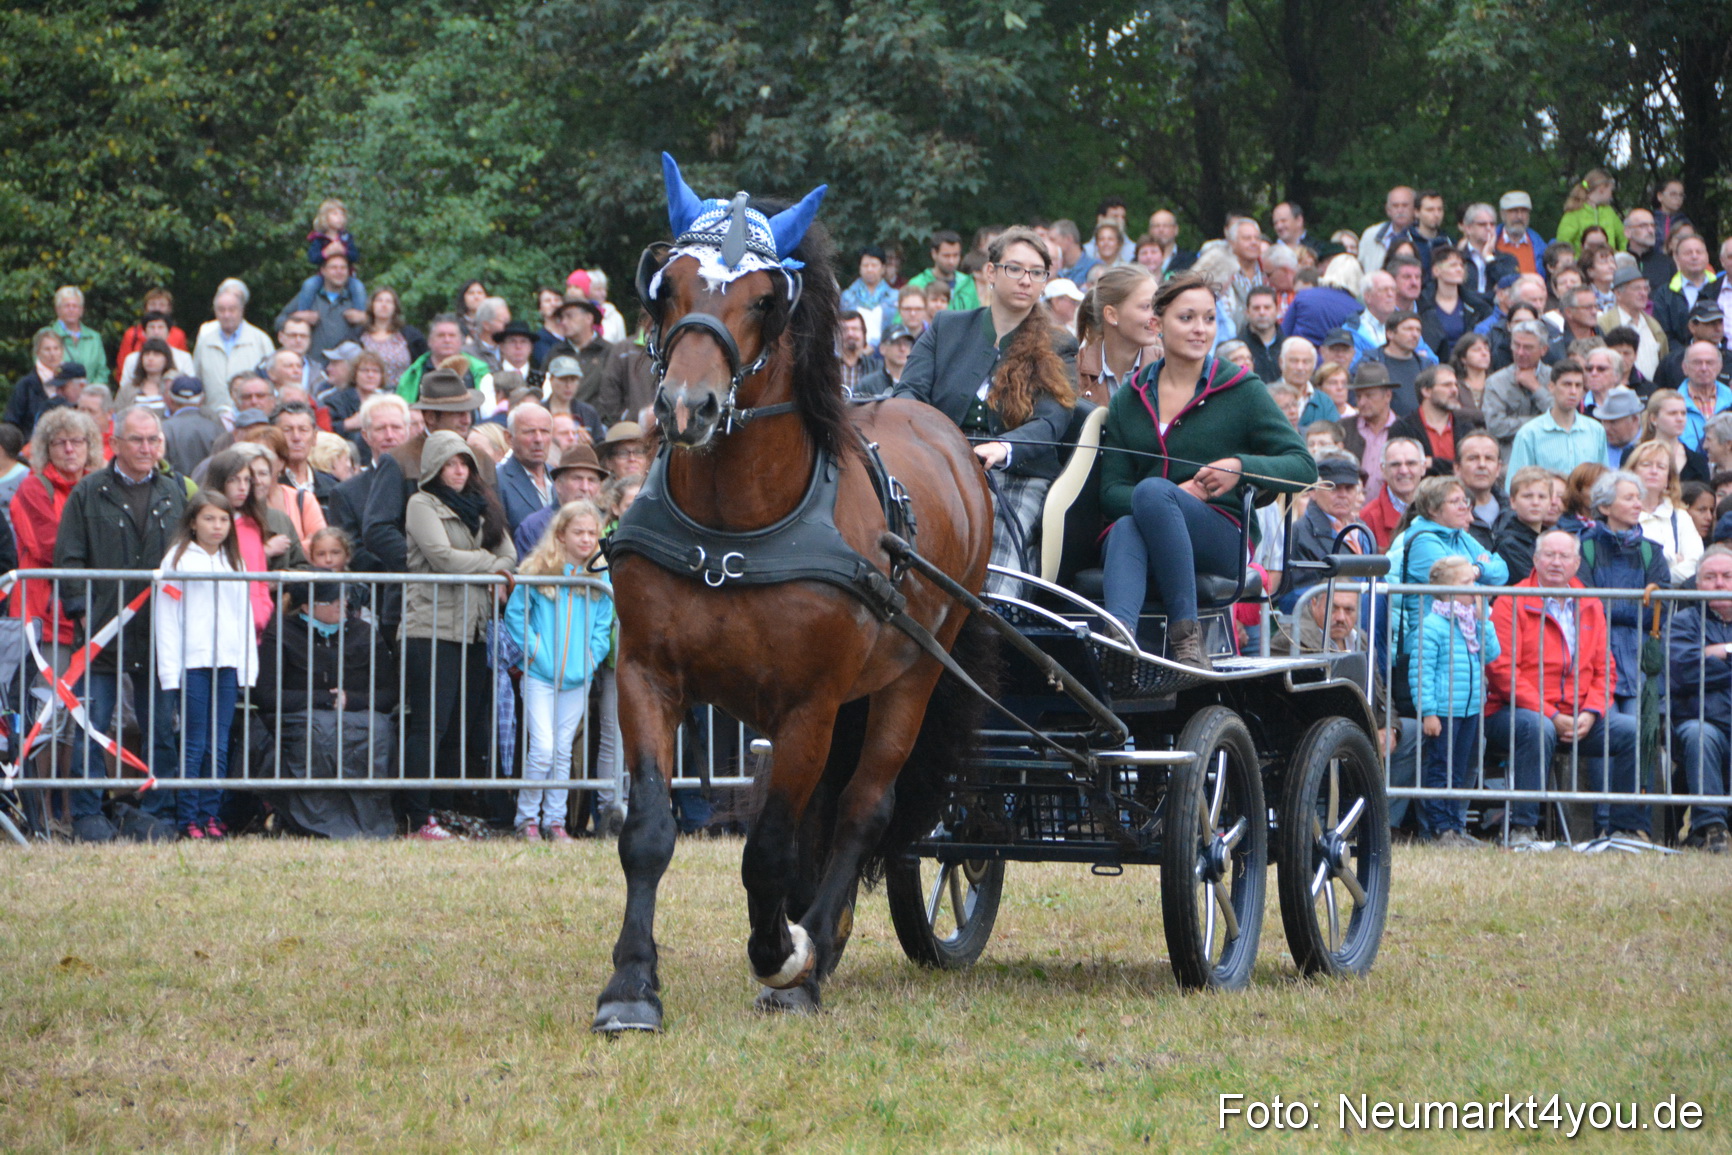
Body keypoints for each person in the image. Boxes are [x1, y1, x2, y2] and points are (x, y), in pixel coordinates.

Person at [1098, 272, 1316, 668]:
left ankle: (1187, 634)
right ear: (1156, 325)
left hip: (1221, 533)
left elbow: (1303, 466)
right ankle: (1119, 645)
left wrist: (1240, 467)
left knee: (1150, 492)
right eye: (1187, 318)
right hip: (1144, 529)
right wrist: (1169, 498)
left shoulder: (1242, 389)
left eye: (1209, 319)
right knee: (1134, 517)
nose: (1201, 329)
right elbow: (1111, 490)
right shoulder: (1128, 399)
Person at [893, 227, 1080, 592]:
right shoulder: (946, 328)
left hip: (1015, 477)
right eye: (1015, 269)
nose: (1026, 280)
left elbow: (1050, 422)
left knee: (992, 583)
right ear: (991, 272)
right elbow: (909, 394)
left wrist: (1004, 448)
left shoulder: (1059, 344)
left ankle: (993, 632)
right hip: (938, 466)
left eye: (1037, 272)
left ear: (1045, 282)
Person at [54, 407, 189, 842]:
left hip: (159, 633)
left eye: (154, 440)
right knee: (91, 726)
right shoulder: (88, 492)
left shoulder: (177, 492)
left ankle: (158, 811)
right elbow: (69, 559)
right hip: (101, 636)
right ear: (115, 443)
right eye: (137, 440)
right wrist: (84, 613)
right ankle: (88, 813)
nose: (147, 448)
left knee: (161, 730)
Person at [1486, 529, 1646, 845]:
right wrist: (1549, 713)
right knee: (1538, 727)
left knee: (1634, 732)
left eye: (1564, 556)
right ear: (1535, 560)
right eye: (1549, 555)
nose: (1556, 562)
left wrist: (1591, 711)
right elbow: (1502, 670)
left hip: (1578, 715)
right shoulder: (1510, 601)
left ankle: (1625, 831)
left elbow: (1605, 669)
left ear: (1576, 564)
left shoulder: (1589, 602)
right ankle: (1523, 829)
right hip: (1513, 713)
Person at [400, 431, 516, 840]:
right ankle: (417, 817)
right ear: (434, 466)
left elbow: (512, 555)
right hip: (431, 626)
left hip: (473, 628)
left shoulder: (483, 506)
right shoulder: (421, 503)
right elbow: (442, 557)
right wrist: (491, 565)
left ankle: (444, 810)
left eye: (464, 463)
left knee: (457, 728)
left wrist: (492, 565)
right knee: (429, 726)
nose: (458, 470)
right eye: (450, 463)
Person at [254, 575, 398, 840]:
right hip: (301, 718)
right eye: (332, 600)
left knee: (378, 731)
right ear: (307, 607)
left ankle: (369, 820)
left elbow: (389, 693)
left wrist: (350, 700)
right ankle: (314, 820)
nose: (341, 604)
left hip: (355, 712)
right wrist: (322, 699)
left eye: (343, 598)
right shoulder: (283, 633)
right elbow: (266, 694)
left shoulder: (364, 633)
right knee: (319, 731)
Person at [505, 500, 613, 842]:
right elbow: (515, 616)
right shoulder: (539, 571)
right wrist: (536, 651)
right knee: (543, 748)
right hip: (539, 675)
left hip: (578, 678)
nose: (585, 539)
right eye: (578, 532)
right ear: (561, 534)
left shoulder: (600, 577)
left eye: (591, 533)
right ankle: (527, 818)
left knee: (563, 750)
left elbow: (602, 626)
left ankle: (555, 820)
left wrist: (591, 659)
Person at [153, 492, 256, 840]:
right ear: (193, 522)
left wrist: (246, 665)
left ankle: (211, 814)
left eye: (223, 519)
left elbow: (244, 615)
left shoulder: (235, 562)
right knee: (195, 743)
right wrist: (171, 670)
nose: (217, 526)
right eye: (209, 519)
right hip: (193, 664)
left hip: (226, 662)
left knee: (220, 742)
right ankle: (188, 818)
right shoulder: (177, 560)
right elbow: (166, 618)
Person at [1411, 554, 1500, 848]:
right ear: (1447, 591)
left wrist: (1483, 620)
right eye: (1467, 582)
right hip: (1444, 711)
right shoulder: (1433, 626)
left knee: (1460, 770)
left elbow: (1491, 654)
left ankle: (1455, 826)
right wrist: (1428, 712)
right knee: (1441, 768)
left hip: (1470, 708)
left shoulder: (1471, 622)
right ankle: (1439, 829)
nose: (1474, 588)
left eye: (1474, 580)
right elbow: (1421, 672)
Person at [1580, 469, 1671, 720]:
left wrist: (1609, 604)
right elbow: (1586, 606)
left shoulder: (1652, 552)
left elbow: (1658, 608)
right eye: (1629, 498)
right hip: (1595, 659)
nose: (1638, 504)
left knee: (1635, 742)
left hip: (1639, 662)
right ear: (1606, 507)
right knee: (1604, 739)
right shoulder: (1583, 548)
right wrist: (1634, 605)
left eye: (1638, 498)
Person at [1668, 544, 1732, 853]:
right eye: (1710, 577)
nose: (1719, 583)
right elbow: (1684, 673)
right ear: (1697, 584)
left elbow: (1702, 667)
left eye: (1727, 576)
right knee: (1700, 734)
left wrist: (1716, 655)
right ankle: (1712, 829)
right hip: (1704, 722)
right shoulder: (1684, 621)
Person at [1075, 265, 1158, 404]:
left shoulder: (1168, 368)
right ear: (1112, 315)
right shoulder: (1072, 371)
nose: (1157, 316)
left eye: (1158, 306)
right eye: (1146, 307)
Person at [1508, 359, 1604, 477]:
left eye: (1578, 385)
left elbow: (1603, 482)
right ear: (1551, 387)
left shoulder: (1597, 431)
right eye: (1567, 384)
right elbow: (1515, 484)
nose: (1573, 391)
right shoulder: (1529, 434)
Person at [1626, 440, 1704, 583]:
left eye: (1661, 467)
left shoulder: (1680, 516)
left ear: (1669, 478)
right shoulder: (1621, 514)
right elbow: (1626, 567)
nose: (1654, 471)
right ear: (1632, 471)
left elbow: (1696, 565)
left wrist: (1657, 579)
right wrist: (1673, 560)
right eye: (1646, 465)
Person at [191, 285, 276, 404]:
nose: (226, 315)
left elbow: (272, 380)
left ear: (242, 310)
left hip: (251, 413)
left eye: (232, 310)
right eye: (221, 310)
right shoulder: (205, 343)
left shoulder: (260, 340)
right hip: (215, 415)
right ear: (215, 312)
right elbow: (197, 378)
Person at [1481, 321, 1554, 451]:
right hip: (1511, 455)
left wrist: (1536, 388)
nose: (1520, 352)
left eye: (1528, 347)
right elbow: (1495, 427)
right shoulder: (1496, 381)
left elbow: (1563, 416)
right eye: (1516, 345)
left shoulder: (1554, 377)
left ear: (1543, 350)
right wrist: (1544, 422)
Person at [395, 314, 494, 408]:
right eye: (441, 335)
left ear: (461, 341)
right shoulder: (413, 374)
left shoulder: (479, 371)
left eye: (452, 335)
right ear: (430, 341)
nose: (447, 340)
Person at [1391, 365, 1473, 475]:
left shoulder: (1466, 428)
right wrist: (1452, 466)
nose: (1454, 390)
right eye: (1447, 385)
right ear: (1426, 391)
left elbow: (1470, 468)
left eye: (1455, 385)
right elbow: (1401, 468)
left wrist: (1431, 462)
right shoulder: (1403, 428)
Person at [1341, 364, 1400, 500]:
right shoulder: (1343, 428)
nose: (1362, 402)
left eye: (1369, 396)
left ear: (1388, 396)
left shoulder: (1405, 429)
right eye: (1358, 396)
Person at [1598, 266, 1668, 381]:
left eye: (1646, 289)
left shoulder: (1654, 325)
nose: (1643, 293)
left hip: (1652, 392)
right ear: (1618, 294)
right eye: (1637, 289)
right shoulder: (1604, 325)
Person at [1492, 465, 1559, 581]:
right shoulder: (1509, 545)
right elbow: (1536, 584)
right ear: (1512, 501)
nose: (1535, 502)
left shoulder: (1551, 539)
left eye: (1542, 497)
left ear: (1550, 503)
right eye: (1528, 496)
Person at [1360, 437, 1429, 550]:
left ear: (1423, 467)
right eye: (1395, 465)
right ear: (1383, 470)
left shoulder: (1440, 511)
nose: (1404, 471)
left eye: (1411, 463)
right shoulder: (1368, 518)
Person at [497, 403, 555, 533]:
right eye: (529, 432)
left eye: (545, 431)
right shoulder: (497, 481)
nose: (538, 439)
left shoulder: (560, 478)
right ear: (509, 438)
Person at [358, 287, 425, 391]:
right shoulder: (359, 335)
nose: (384, 305)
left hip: (403, 393)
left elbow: (422, 363)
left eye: (389, 302)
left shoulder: (410, 335)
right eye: (379, 300)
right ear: (372, 305)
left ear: (395, 307)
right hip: (369, 393)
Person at [5, 328, 66, 436]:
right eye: (47, 349)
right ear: (37, 352)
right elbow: (11, 422)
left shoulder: (71, 382)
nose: (52, 353)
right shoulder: (25, 385)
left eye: (56, 348)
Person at [159, 375, 223, 477]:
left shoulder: (163, 429)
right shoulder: (215, 428)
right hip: (208, 490)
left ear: (170, 400)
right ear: (201, 400)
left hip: (176, 489)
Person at [48, 286, 108, 386]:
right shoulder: (48, 336)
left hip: (90, 397)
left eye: (75, 306)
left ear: (81, 310)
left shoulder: (94, 337)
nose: (71, 310)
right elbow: (44, 372)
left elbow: (102, 371)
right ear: (58, 310)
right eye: (66, 306)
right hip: (58, 396)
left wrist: (90, 392)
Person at [1555, 169, 1625, 253]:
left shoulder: (1609, 212)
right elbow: (1562, 243)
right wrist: (1574, 261)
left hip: (1608, 262)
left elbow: (1624, 237)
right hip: (1583, 264)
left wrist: (1622, 257)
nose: (1611, 195)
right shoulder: (1575, 212)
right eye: (1610, 190)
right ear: (1602, 189)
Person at [115, 288, 189, 368]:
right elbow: (122, 365)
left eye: (162, 305)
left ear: (169, 308)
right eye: (153, 304)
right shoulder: (132, 334)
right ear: (145, 307)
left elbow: (182, 364)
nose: (157, 308)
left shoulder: (178, 335)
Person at [1493, 191, 1546, 276]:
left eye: (1524, 211)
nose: (1519, 216)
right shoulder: (1490, 243)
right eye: (1514, 211)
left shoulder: (1540, 247)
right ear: (1502, 214)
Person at [855, 325, 914, 398]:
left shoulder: (917, 383)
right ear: (882, 349)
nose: (902, 348)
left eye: (907, 343)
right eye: (896, 343)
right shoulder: (868, 385)